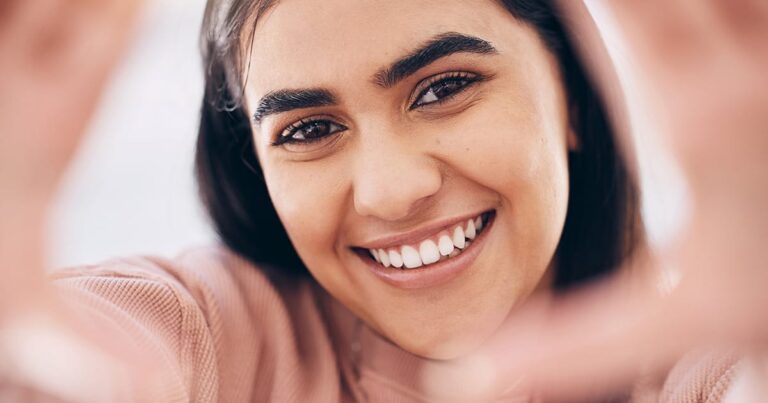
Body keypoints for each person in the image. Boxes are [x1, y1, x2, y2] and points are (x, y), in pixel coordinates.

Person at [0, 1, 765, 402]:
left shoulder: (708, 365)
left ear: (573, 93)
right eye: (310, 129)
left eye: (444, 87)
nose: (393, 191)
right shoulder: (209, 335)